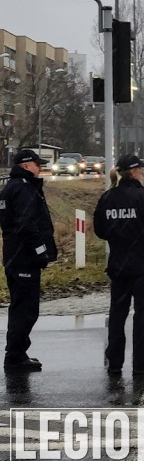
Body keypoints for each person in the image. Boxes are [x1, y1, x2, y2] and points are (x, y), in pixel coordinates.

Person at [94, 155, 144, 377]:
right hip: (141, 266)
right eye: (140, 170)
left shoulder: (107, 198)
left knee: (117, 313)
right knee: (142, 314)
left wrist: (120, 234)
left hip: (118, 266)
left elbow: (100, 231)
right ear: (134, 172)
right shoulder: (143, 198)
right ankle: (142, 364)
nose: (142, 173)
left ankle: (114, 362)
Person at [0, 150, 56, 372]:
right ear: (25, 166)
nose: (39, 167)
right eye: (36, 164)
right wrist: (41, 251)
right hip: (24, 258)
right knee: (26, 309)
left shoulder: (9, 189)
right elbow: (27, 224)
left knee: (19, 306)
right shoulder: (23, 189)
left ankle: (17, 353)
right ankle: (15, 356)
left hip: (13, 256)